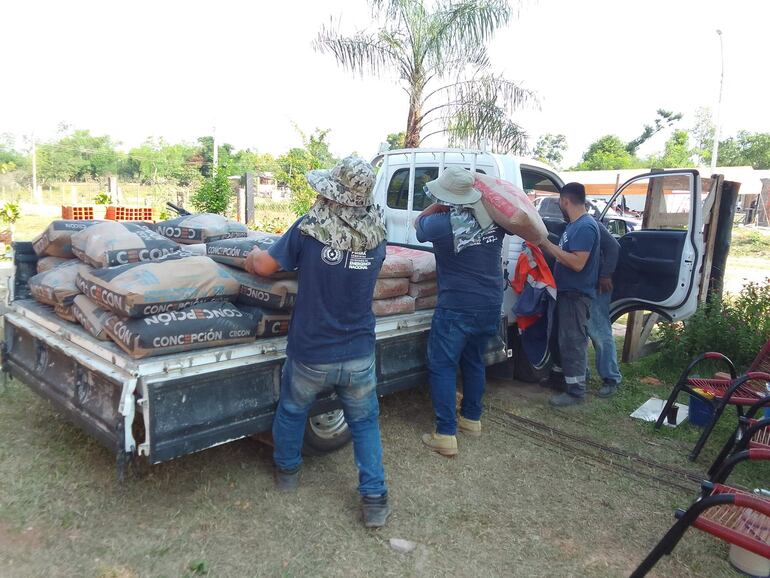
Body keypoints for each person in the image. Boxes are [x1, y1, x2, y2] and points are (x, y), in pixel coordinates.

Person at [245, 156, 391, 528]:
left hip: (311, 351)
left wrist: (250, 258)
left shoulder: (309, 229)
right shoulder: (378, 234)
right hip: (359, 350)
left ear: (332, 193)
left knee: (293, 411)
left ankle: (288, 473)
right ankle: (374, 499)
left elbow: (265, 267)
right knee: (365, 423)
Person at [415, 166, 505, 457]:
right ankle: (471, 419)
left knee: (442, 365)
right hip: (490, 303)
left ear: (447, 196)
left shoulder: (442, 224)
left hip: (457, 306)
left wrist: (439, 203)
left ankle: (445, 433)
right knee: (474, 360)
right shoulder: (494, 219)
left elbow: (418, 225)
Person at [539, 182, 600, 407]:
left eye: (559, 203)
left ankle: (576, 392)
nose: (559, 207)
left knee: (573, 341)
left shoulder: (585, 227)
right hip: (565, 293)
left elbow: (577, 263)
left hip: (576, 295)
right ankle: (558, 379)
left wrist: (547, 246)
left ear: (565, 201)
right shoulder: (573, 226)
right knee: (560, 339)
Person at [587, 218, 622, 397]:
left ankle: (611, 378)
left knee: (599, 331)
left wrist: (605, 275)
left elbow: (614, 247)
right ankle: (581, 375)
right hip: (582, 288)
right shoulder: (572, 224)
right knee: (581, 331)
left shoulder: (593, 225)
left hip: (598, 287)